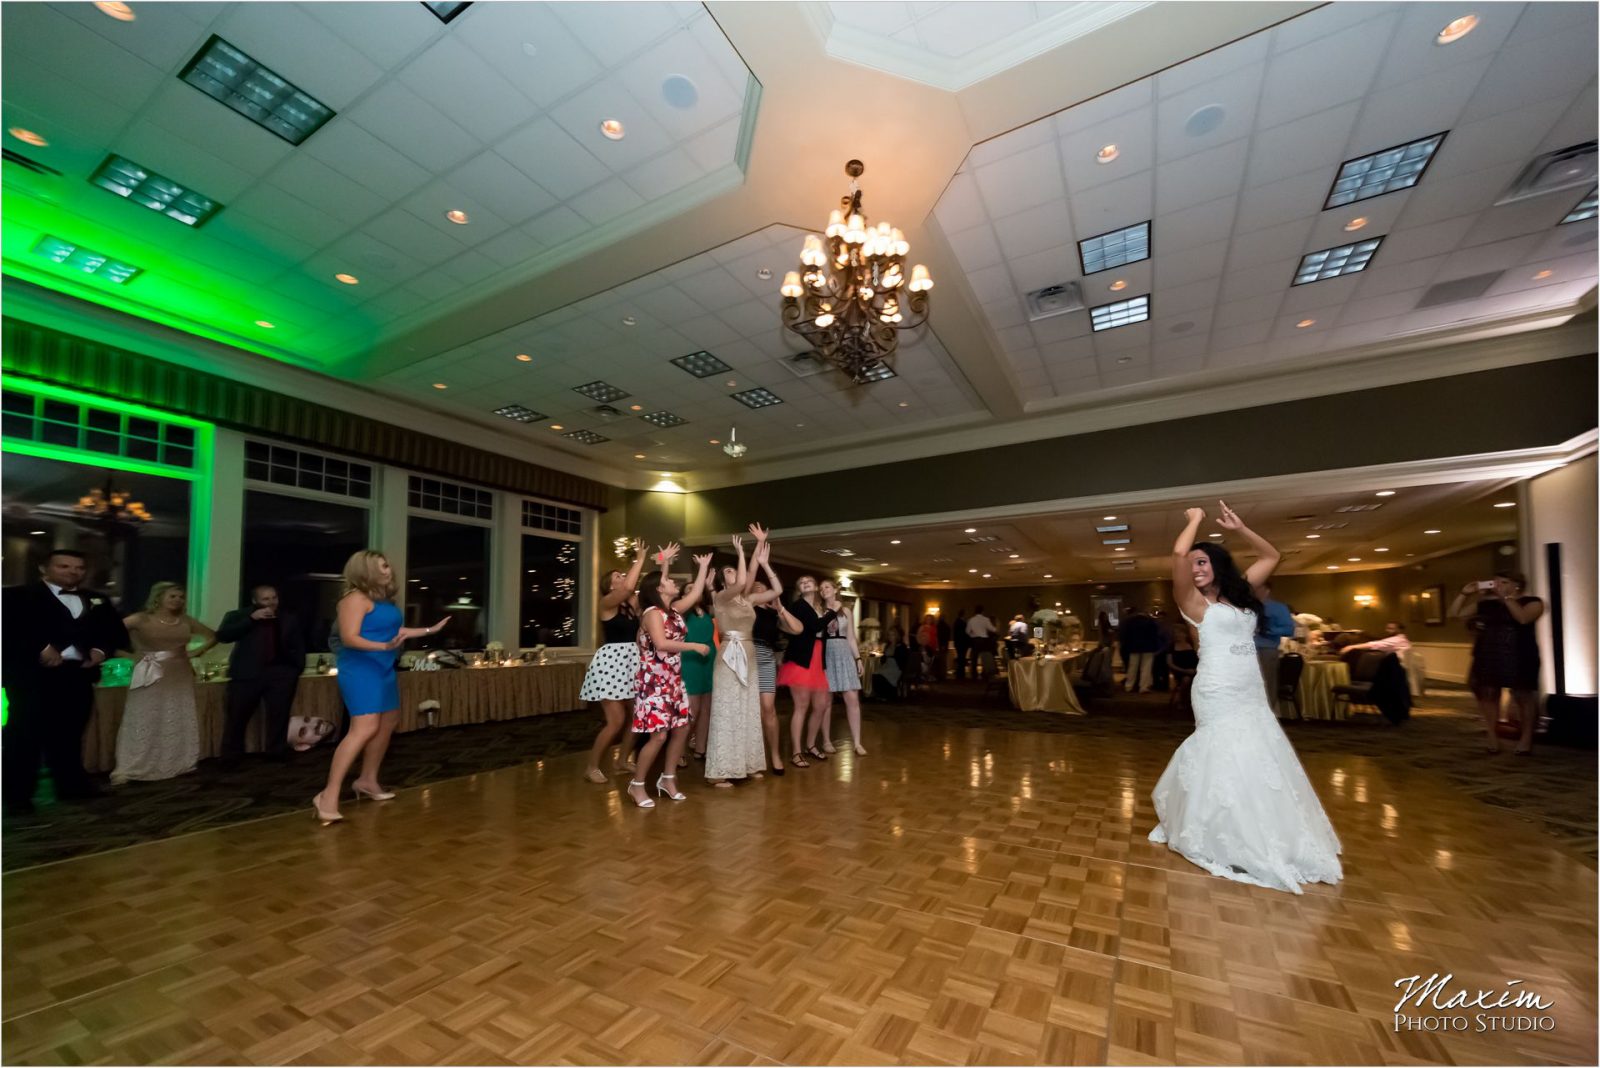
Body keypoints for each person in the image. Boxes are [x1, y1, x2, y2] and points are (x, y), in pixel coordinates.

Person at [1148, 501, 1341, 894]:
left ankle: (1264, 827)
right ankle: (1222, 830)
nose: (1196, 569)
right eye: (1194, 564)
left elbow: (1272, 555)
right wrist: (1195, 520)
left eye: (1204, 563)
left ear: (1219, 565)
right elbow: (1178, 555)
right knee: (1224, 751)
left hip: (1248, 687)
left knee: (1259, 752)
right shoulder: (1192, 602)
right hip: (1216, 687)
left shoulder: (1242, 594)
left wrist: (1240, 528)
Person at [311, 550, 448, 825]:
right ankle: (327, 795)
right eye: (382, 566)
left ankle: (367, 780)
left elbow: (396, 632)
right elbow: (349, 638)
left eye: (387, 565)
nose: (388, 570)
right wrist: (383, 646)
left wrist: (429, 631)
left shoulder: (383, 601)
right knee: (364, 728)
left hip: (383, 668)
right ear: (365, 570)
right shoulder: (354, 599)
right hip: (360, 669)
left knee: (387, 722)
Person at [2, 549, 130, 813]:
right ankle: (16, 796)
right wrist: (40, 647)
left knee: (70, 733)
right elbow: (9, 631)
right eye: (64, 566)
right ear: (43, 568)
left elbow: (113, 632)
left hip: (77, 674)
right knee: (25, 735)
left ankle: (71, 786)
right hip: (33, 676)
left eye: (78, 568)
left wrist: (100, 651)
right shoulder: (16, 596)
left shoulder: (97, 599)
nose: (73, 572)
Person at [627, 550, 712, 807]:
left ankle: (668, 778)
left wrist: (703, 568)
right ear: (658, 589)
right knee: (659, 736)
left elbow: (696, 594)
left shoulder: (673, 610)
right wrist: (694, 646)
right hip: (653, 681)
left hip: (672, 679)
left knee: (683, 728)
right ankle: (637, 784)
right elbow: (662, 644)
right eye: (669, 581)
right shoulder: (652, 613)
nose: (674, 582)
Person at [112, 582, 215, 784]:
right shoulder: (141, 618)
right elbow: (106, 633)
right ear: (159, 598)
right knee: (144, 715)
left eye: (181, 597)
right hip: (149, 672)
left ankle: (177, 761)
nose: (177, 600)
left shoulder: (185, 620)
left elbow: (214, 635)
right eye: (172, 596)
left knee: (176, 713)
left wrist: (198, 651)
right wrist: (128, 656)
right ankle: (131, 765)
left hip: (179, 673)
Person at [706, 528, 782, 787]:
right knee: (728, 712)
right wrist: (740, 551)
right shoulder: (721, 598)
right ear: (721, 581)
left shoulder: (747, 600)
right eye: (726, 571)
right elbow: (741, 580)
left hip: (749, 658)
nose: (733, 573)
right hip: (729, 658)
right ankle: (720, 771)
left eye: (732, 569)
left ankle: (745, 765)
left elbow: (775, 588)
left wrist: (761, 551)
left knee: (747, 712)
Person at [579, 538, 650, 783]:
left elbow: (648, 596)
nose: (622, 579)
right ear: (609, 587)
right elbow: (629, 589)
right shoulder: (606, 604)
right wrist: (639, 559)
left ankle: (621, 761)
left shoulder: (628, 608)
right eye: (617, 577)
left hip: (631, 662)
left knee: (635, 717)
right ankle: (591, 767)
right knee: (615, 721)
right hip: (610, 665)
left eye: (623, 575)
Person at [1452, 573, 1544, 755]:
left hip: (1520, 653)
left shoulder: (1533, 602)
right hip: (1489, 652)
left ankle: (1526, 738)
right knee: (1489, 693)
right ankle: (1492, 736)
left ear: (1517, 584)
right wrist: (1464, 593)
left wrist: (1506, 598)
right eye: (1495, 582)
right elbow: (1454, 614)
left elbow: (1523, 618)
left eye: (1503, 582)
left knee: (1522, 694)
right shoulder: (1486, 604)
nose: (1497, 585)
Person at [217, 584, 306, 766]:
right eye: (266, 599)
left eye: (274, 597)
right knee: (237, 717)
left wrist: (296, 669)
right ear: (255, 601)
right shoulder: (238, 615)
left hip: (281, 674)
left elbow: (298, 645)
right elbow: (223, 636)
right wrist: (251, 619)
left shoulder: (289, 618)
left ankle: (277, 752)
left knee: (279, 716)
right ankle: (231, 756)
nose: (271, 602)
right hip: (247, 674)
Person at [778, 575, 832, 768]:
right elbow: (815, 626)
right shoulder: (799, 606)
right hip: (801, 659)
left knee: (821, 705)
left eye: (809, 581)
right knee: (801, 706)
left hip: (818, 659)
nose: (805, 583)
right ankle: (796, 752)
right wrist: (833, 612)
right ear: (799, 589)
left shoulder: (822, 608)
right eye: (801, 582)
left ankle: (810, 744)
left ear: (816, 586)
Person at [747, 539, 787, 775]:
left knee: (768, 708)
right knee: (750, 709)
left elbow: (794, 629)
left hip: (767, 657)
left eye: (764, 586)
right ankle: (753, 758)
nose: (760, 588)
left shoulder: (773, 613)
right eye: (756, 586)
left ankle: (775, 755)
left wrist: (766, 564)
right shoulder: (747, 606)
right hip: (748, 654)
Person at [817, 579, 866, 756]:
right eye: (821, 588)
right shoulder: (819, 611)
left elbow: (851, 637)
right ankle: (826, 741)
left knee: (852, 699)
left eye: (827, 586)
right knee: (826, 701)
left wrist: (858, 659)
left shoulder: (846, 610)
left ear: (835, 589)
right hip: (827, 654)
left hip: (845, 653)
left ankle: (857, 742)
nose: (824, 590)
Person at [683, 570, 717, 762]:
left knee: (706, 708)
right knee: (692, 710)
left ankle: (700, 748)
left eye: (695, 588)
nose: (693, 591)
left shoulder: (707, 611)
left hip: (709, 659)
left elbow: (718, 607)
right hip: (690, 660)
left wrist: (710, 586)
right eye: (688, 589)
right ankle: (679, 749)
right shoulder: (681, 612)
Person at [1254, 582, 1296, 707]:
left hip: (1266, 649)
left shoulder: (1278, 608)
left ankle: (1268, 713)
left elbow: (1289, 630)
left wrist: (1269, 630)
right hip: (1245, 650)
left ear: (1267, 590)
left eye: (1258, 588)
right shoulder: (1245, 606)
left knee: (1267, 682)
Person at [1119, 606, 1159, 693]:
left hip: (1134, 647)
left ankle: (1129, 686)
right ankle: (1143, 687)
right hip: (1148, 647)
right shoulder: (1151, 621)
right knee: (1146, 668)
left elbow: (1126, 635)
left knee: (1132, 667)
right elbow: (1155, 635)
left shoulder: (1130, 622)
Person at [1343, 621, 1412, 656]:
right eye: (1387, 628)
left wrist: (1351, 647)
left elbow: (1375, 644)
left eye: (1391, 629)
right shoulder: (1402, 639)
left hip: (1397, 670)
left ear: (1400, 630)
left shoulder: (1397, 640)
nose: (1387, 631)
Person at [966, 605, 997, 678]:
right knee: (984, 658)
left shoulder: (971, 620)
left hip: (975, 640)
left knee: (974, 658)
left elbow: (967, 631)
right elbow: (992, 629)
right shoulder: (985, 619)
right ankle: (984, 673)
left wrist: (972, 635)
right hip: (984, 640)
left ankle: (974, 675)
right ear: (982, 611)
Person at [952, 610, 971, 680]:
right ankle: (961, 674)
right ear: (963, 615)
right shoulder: (963, 623)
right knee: (962, 659)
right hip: (962, 643)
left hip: (958, 643)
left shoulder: (956, 622)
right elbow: (965, 634)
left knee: (960, 658)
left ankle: (959, 674)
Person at [934, 613, 951, 680]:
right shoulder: (946, 626)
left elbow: (939, 636)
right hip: (944, 645)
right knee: (943, 661)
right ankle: (943, 675)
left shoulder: (938, 626)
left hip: (940, 645)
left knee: (940, 661)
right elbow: (947, 637)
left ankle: (940, 675)